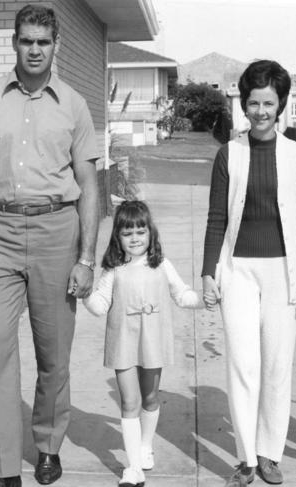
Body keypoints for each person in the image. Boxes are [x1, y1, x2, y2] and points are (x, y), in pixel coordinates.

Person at [0, 5, 99, 487]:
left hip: (57, 233)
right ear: (13, 43)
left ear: (56, 44)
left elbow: (89, 184)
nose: (34, 49)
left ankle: (48, 444)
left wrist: (86, 258)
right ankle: (2, 470)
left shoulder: (74, 104)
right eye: (26, 40)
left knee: (54, 352)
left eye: (43, 41)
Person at [201, 59, 296, 487]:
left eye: (268, 102)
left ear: (282, 105)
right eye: (252, 102)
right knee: (242, 364)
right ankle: (247, 459)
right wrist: (207, 272)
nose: (259, 111)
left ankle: (270, 453)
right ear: (243, 105)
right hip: (237, 271)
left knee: (276, 366)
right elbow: (216, 217)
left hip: (283, 274)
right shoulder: (228, 154)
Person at [83, 200, 204, 487]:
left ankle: (145, 446)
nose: (135, 238)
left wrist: (206, 300)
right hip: (123, 341)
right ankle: (133, 467)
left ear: (151, 233)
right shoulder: (114, 268)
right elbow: (100, 305)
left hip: (153, 341)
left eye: (140, 231)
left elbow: (182, 294)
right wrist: (84, 295)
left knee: (149, 398)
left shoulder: (161, 265)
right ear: (118, 237)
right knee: (129, 401)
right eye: (128, 233)